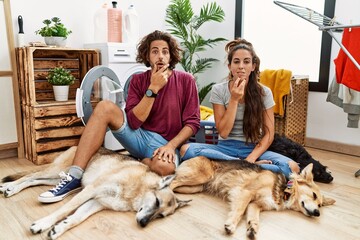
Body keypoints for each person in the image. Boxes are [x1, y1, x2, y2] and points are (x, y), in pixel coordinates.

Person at [38, 30, 200, 203]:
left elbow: (193, 122)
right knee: (105, 107)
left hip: (166, 144)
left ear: (171, 56)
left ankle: (142, 162)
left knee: (165, 169)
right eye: (154, 51)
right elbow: (134, 121)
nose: (160, 56)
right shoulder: (138, 81)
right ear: (147, 56)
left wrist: (170, 146)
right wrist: (153, 89)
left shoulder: (186, 80)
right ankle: (74, 177)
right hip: (139, 137)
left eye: (165, 51)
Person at [180, 38, 299, 179]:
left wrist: (251, 159)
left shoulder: (264, 92)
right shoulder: (218, 90)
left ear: (253, 66)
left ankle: (233, 166)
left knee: (293, 167)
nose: (241, 66)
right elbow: (223, 133)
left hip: (252, 148)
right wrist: (234, 99)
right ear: (230, 66)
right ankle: (248, 167)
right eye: (236, 62)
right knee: (185, 149)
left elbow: (269, 134)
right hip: (224, 148)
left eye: (246, 61)